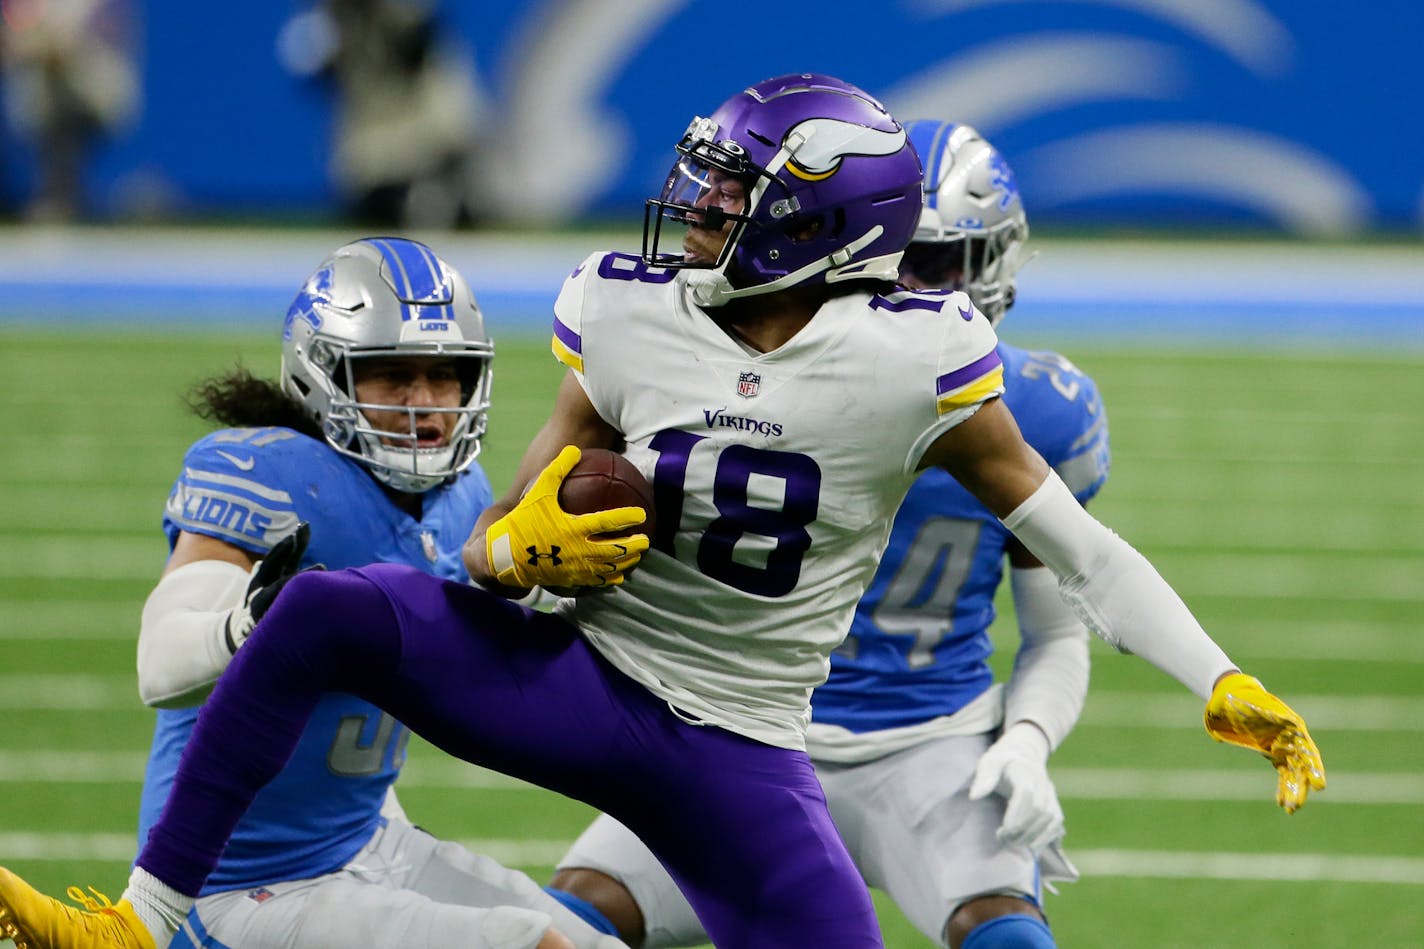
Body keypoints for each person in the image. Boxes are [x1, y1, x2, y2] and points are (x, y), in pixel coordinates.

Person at [0, 74, 1324, 949]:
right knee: (335, 614)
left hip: (742, 744)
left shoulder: (918, 361)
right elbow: (499, 528)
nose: (695, 207)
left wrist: (1220, 676)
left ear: (817, 225)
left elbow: (1081, 558)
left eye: (732, 192)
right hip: (583, 674)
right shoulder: (627, 307)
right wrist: (518, 549)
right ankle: (148, 919)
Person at [547, 121, 1100, 949]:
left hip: (930, 749)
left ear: (994, 267)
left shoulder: (1044, 412)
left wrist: (1024, 741)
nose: (913, 287)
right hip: (737, 729)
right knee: (559, 925)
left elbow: (1060, 629)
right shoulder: (727, 375)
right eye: (895, 258)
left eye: (939, 263)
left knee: (1007, 938)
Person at [11, 237, 619, 949]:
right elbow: (161, 663)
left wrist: (545, 593)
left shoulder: (464, 497)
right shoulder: (267, 474)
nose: (425, 404)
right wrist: (247, 625)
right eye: (393, 375)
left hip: (361, 838)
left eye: (444, 375)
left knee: (591, 941)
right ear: (322, 375)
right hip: (232, 885)